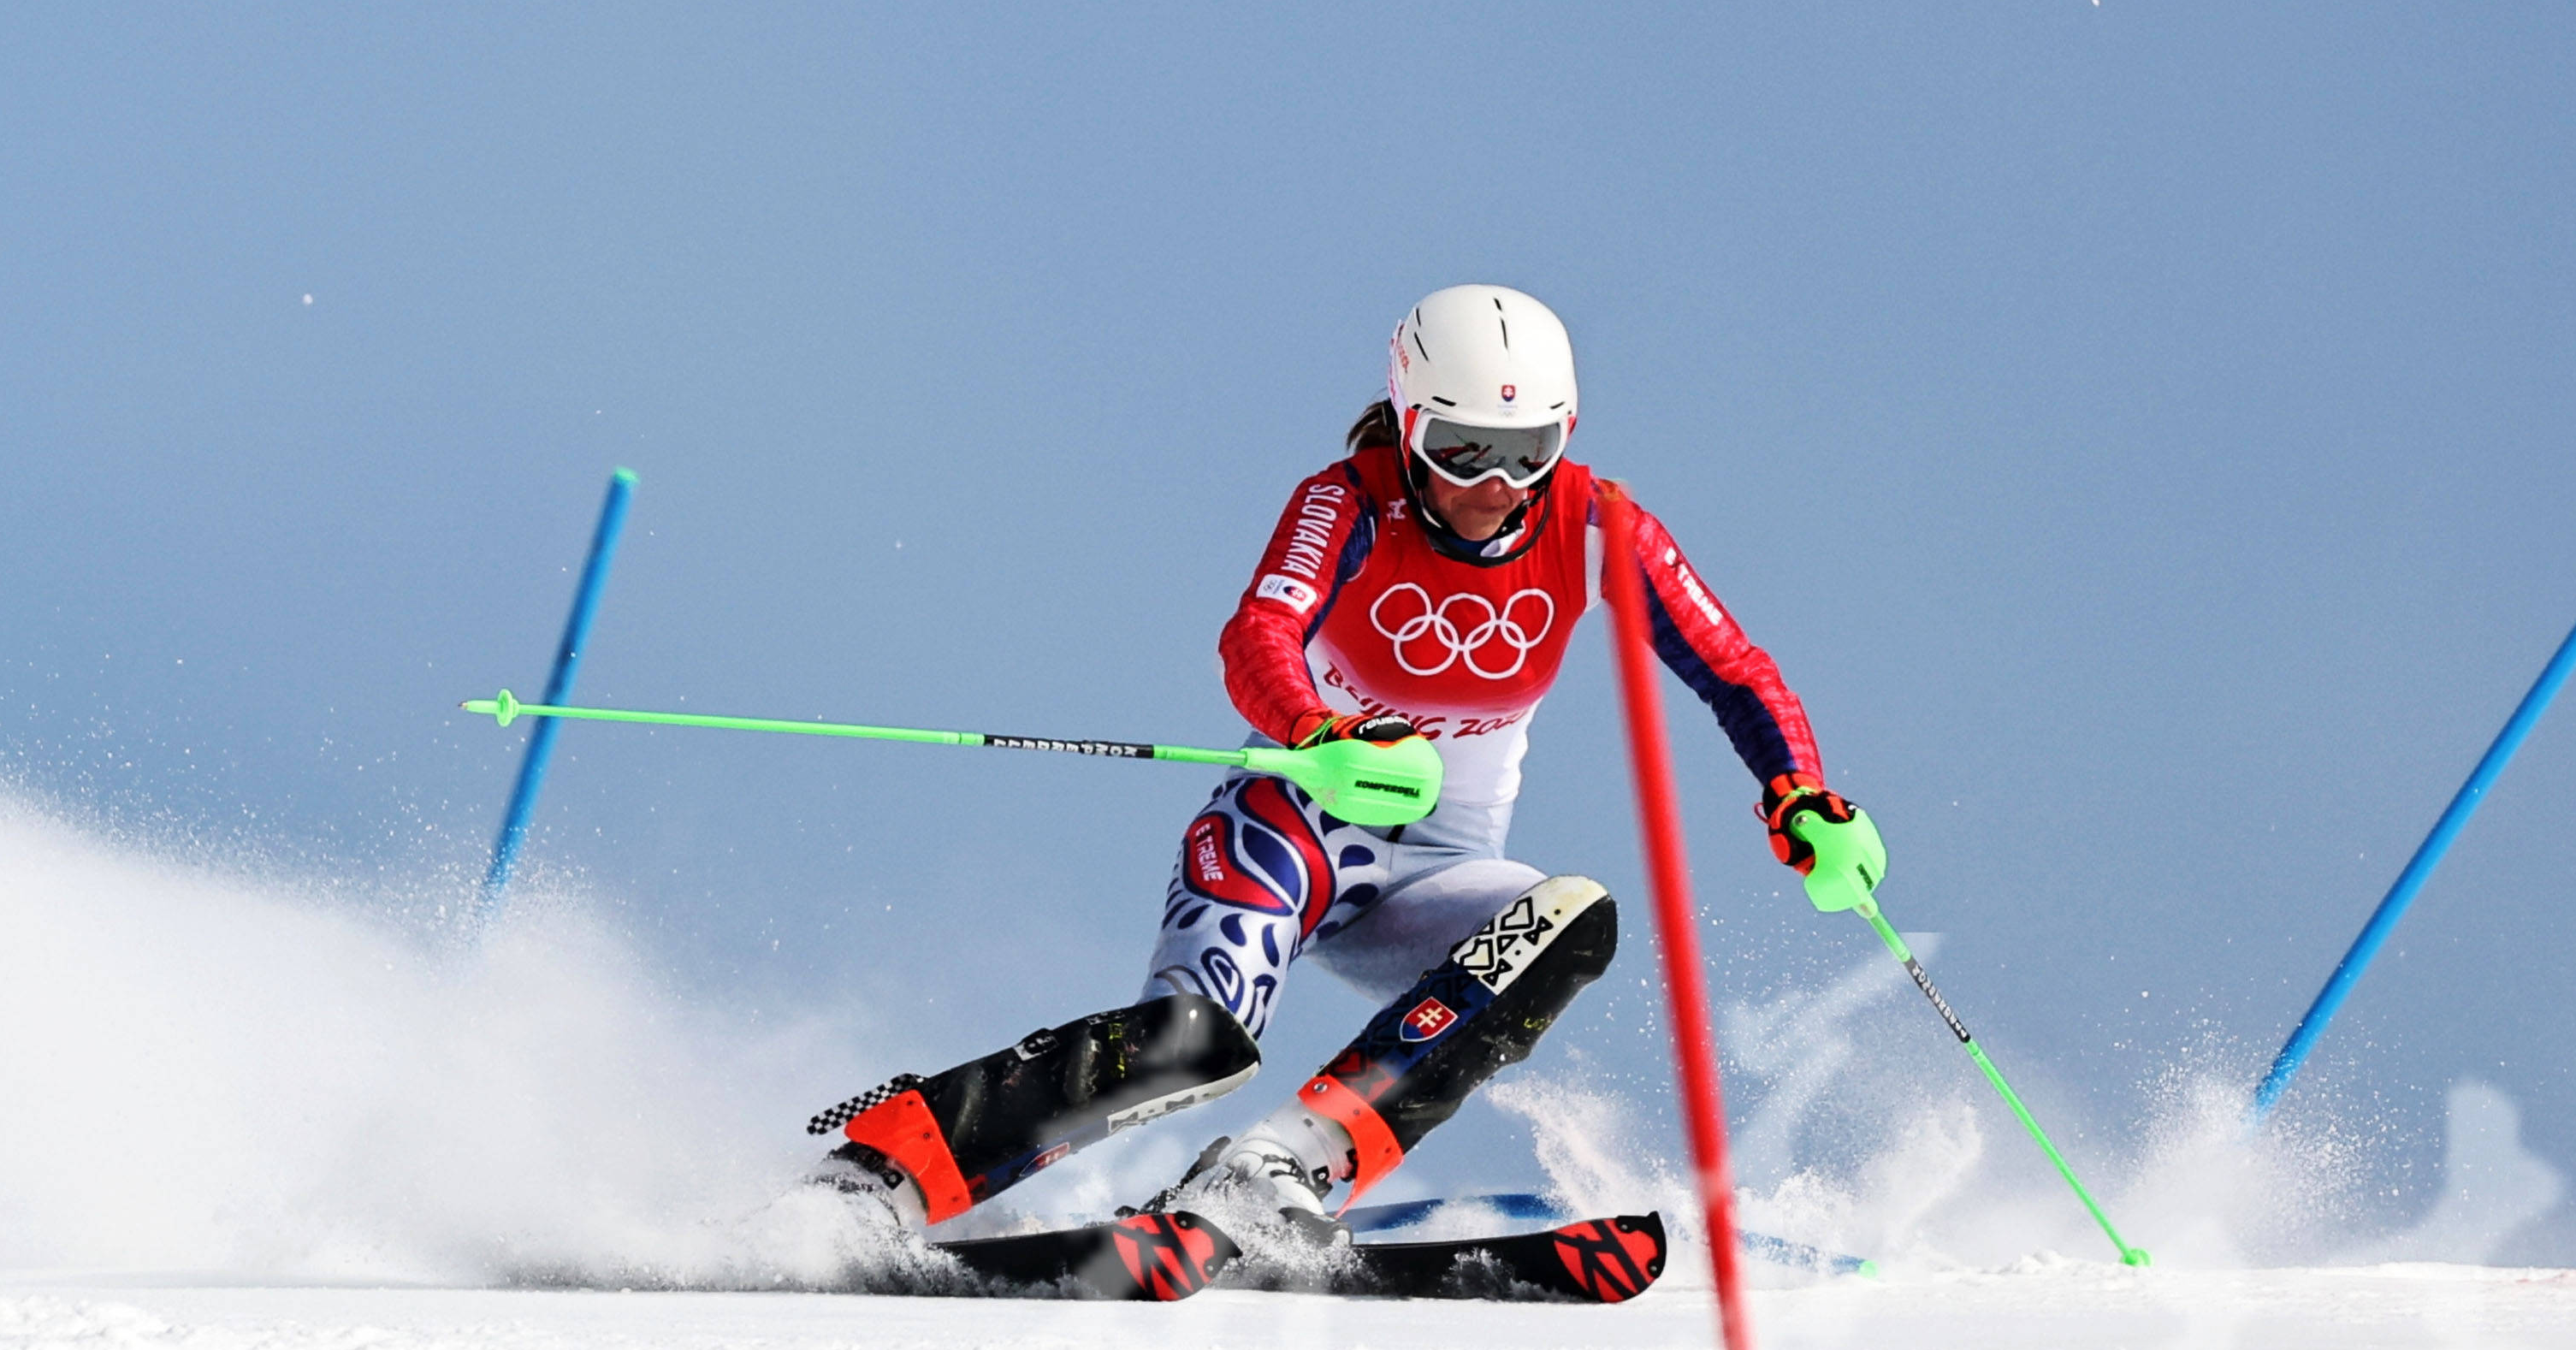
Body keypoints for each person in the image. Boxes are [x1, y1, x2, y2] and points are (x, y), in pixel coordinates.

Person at [804, 284, 1879, 1278]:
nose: (1493, 486)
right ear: (1409, 424)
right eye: (1460, 450)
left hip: (1431, 880)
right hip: (1288, 838)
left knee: (1572, 918)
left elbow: (1734, 668)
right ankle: (873, 1179)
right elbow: (1258, 633)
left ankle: (1278, 1171)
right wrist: (1317, 730)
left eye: (1526, 450)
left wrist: (1801, 793)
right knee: (1195, 1048)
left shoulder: (1598, 525)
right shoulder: (1347, 502)